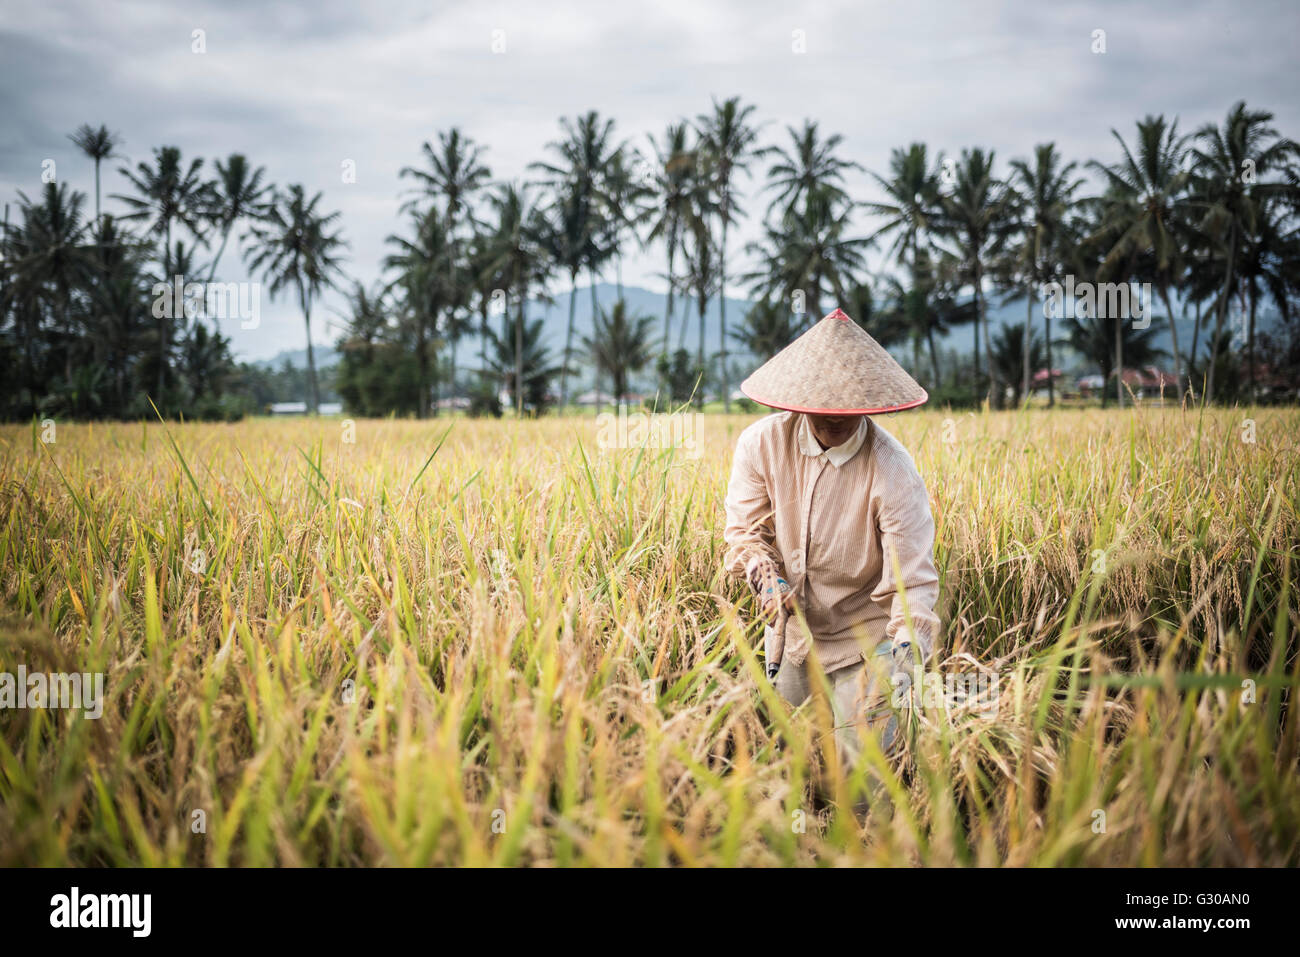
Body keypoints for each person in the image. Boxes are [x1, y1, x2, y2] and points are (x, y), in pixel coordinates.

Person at [723, 307, 941, 767]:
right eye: (822, 406)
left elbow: (913, 583)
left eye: (848, 407)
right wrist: (767, 580)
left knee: (864, 778)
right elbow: (746, 533)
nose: (835, 418)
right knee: (791, 764)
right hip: (793, 634)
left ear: (867, 403)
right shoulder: (760, 445)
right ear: (797, 401)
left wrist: (903, 660)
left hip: (869, 643)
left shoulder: (893, 472)